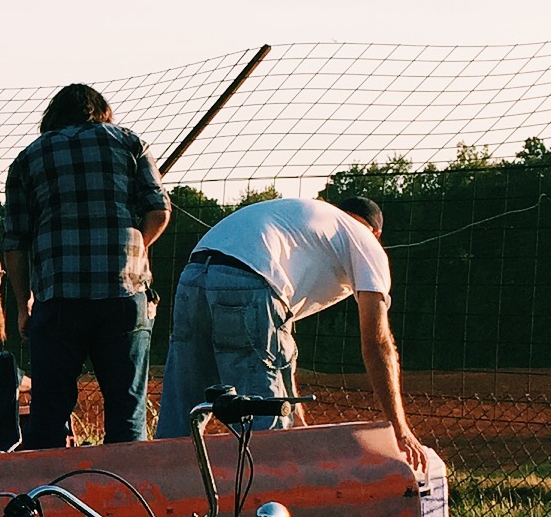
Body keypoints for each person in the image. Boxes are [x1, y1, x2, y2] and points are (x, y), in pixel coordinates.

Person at [164, 194, 422, 468]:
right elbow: (377, 343)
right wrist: (400, 428)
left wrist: (296, 414)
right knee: (262, 420)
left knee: (184, 405)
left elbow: (280, 337)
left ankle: (159, 490)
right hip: (252, 275)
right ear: (377, 233)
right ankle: (265, 504)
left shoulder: (314, 222)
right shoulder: (367, 242)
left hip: (195, 270)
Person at [0, 86, 170, 448]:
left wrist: (23, 302)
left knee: (49, 410)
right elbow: (159, 210)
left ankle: (46, 495)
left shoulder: (29, 158)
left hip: (58, 298)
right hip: (124, 293)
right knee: (127, 410)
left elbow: (15, 241)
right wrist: (136, 248)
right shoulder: (129, 143)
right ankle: (124, 496)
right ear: (102, 111)